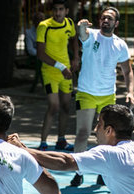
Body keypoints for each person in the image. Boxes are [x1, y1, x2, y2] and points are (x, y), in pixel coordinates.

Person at [71, 7, 134, 187]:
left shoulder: (120, 44)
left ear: (116, 23)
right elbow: (82, 34)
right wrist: (81, 27)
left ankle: (103, 173)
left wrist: (130, 91)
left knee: (108, 136)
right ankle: (78, 172)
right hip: (86, 92)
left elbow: (127, 71)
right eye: (103, 18)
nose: (105, 20)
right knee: (83, 132)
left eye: (109, 18)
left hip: (107, 95)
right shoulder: (91, 36)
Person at [35, 0, 79, 152]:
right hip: (50, 72)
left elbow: (74, 39)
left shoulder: (69, 24)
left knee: (66, 106)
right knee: (54, 106)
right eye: (55, 10)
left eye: (61, 9)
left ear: (66, 11)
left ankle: (61, 140)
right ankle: (43, 142)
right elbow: (40, 54)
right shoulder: (44, 26)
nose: (58, 13)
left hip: (66, 72)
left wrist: (76, 58)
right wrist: (60, 67)